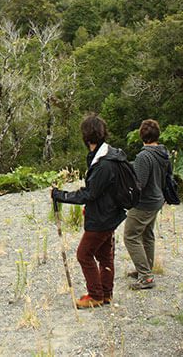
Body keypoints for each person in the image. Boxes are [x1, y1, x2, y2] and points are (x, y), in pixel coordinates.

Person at [51, 114, 127, 308]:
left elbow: (89, 194)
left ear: (86, 136)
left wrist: (61, 196)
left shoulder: (103, 163)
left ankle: (95, 295)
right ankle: (106, 293)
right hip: (111, 214)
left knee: (84, 254)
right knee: (104, 254)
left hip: (102, 216)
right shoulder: (108, 155)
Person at [123, 119, 171, 290]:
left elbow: (139, 184)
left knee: (130, 236)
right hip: (157, 199)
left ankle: (146, 277)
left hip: (145, 203)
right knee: (147, 234)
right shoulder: (162, 153)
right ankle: (145, 269)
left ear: (141, 135)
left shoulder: (144, 156)